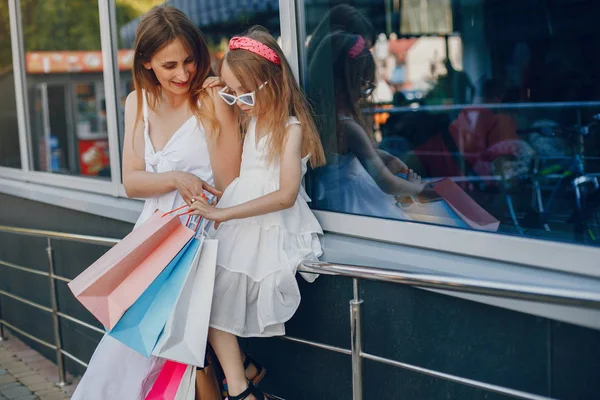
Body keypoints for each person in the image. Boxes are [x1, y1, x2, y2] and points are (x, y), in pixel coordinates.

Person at [71, 6, 241, 399]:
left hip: (202, 240)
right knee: (126, 354)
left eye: (189, 61)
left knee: (170, 359)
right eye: (169, 66)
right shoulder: (137, 102)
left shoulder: (210, 100)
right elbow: (131, 181)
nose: (182, 74)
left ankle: (241, 375)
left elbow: (230, 184)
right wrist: (175, 178)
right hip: (151, 242)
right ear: (146, 63)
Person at [188, 26, 326, 400]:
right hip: (240, 219)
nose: (239, 103)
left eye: (244, 94)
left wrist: (225, 215)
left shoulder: (290, 128)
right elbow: (249, 175)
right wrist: (224, 89)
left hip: (265, 226)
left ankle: (240, 384)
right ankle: (242, 381)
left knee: (211, 299)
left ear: (272, 83)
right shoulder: (252, 121)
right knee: (204, 297)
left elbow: (283, 196)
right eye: (233, 95)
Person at [307, 31, 430, 220]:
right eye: (365, 86)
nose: (365, 94)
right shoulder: (348, 127)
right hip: (357, 205)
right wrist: (419, 189)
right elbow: (384, 180)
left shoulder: (318, 119)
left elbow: (339, 161)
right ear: (347, 84)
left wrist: (381, 156)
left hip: (332, 203)